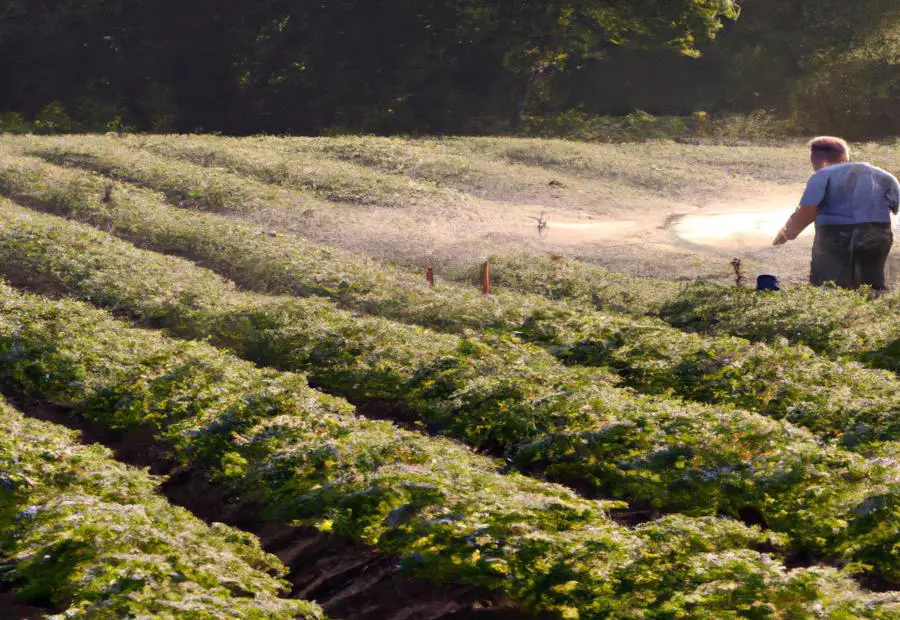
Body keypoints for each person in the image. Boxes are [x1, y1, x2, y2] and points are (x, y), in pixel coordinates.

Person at [773, 136, 899, 290]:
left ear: (814, 158)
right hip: (877, 233)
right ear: (845, 156)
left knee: (828, 285)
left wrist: (785, 235)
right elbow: (895, 209)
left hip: (836, 234)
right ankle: (871, 309)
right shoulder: (884, 175)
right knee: (871, 286)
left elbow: (807, 212)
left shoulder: (822, 175)